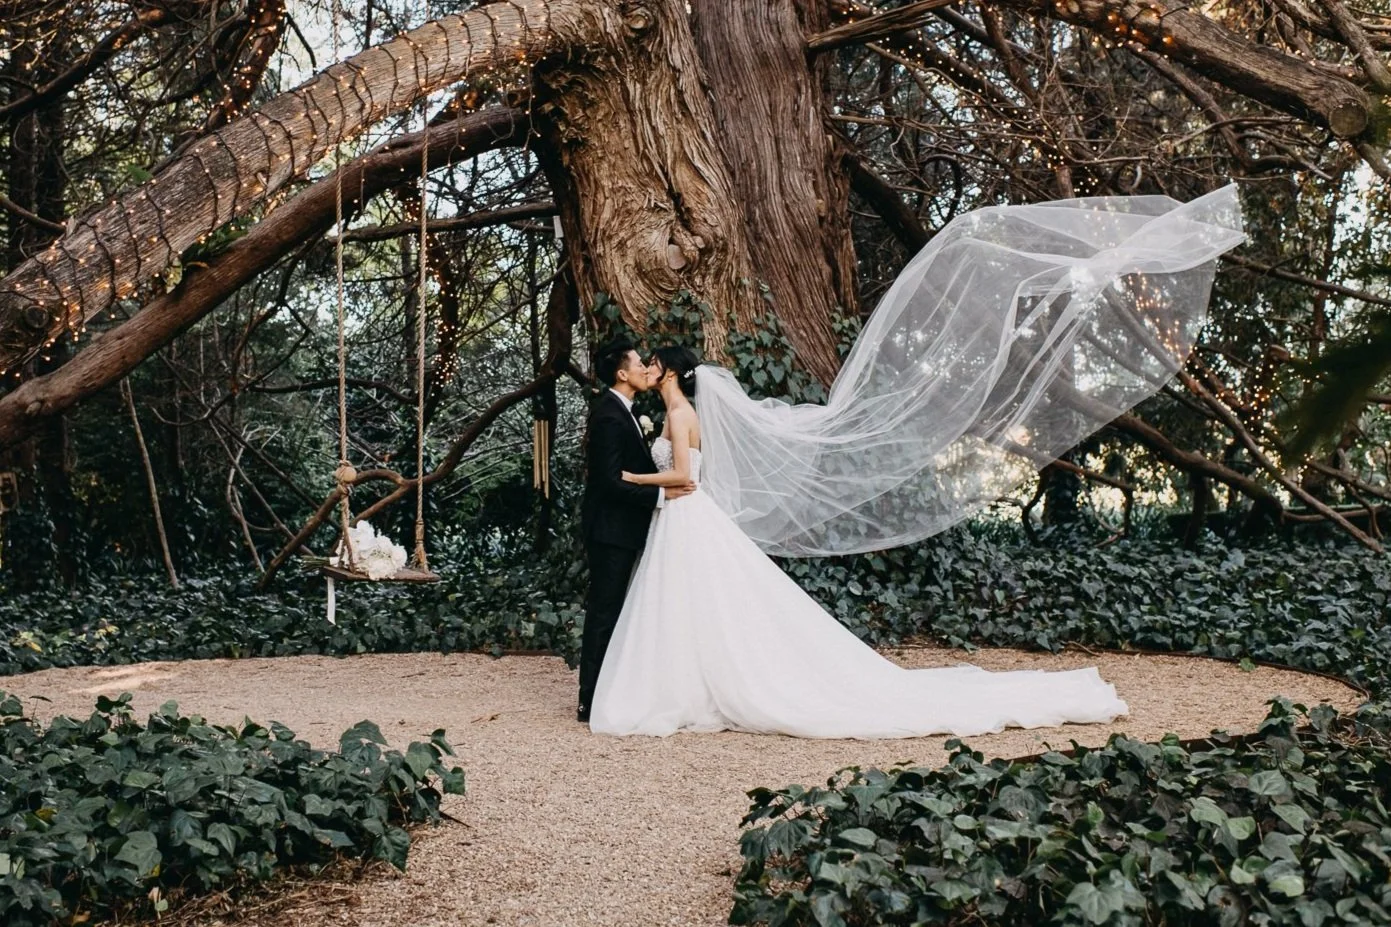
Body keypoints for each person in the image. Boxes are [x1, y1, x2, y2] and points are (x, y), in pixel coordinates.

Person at [587, 346, 1128, 737]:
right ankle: (680, 682)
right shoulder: (664, 413)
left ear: (670, 372)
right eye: (641, 362)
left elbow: (686, 476)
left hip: (684, 514)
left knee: (692, 601)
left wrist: (636, 479)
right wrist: (648, 484)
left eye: (652, 362)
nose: (646, 366)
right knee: (684, 604)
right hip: (676, 518)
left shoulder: (681, 413)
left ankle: (688, 686)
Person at [577, 339, 693, 723]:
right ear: (622, 373)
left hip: (626, 529)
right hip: (610, 530)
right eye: (640, 362)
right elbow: (609, 481)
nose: (646, 367)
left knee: (619, 610)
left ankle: (612, 691)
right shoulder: (609, 416)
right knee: (604, 611)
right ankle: (590, 700)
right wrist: (660, 494)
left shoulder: (625, 411)